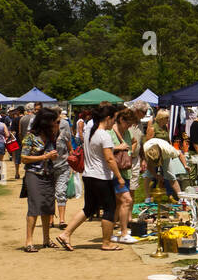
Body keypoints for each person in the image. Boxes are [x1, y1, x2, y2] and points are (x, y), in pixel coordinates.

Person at [56, 104, 126, 252]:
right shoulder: (104, 135)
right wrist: (119, 177)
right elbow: (110, 159)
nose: (114, 123)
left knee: (89, 208)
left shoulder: (89, 132)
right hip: (101, 177)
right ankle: (107, 242)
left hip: (88, 175)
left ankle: (65, 234)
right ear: (108, 118)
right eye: (114, 119)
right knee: (109, 208)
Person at [21, 106, 61, 251]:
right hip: (33, 174)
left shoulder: (52, 136)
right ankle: (29, 241)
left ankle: (46, 239)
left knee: (48, 207)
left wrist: (52, 157)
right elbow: (24, 158)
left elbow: (51, 155)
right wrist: (44, 156)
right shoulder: (30, 136)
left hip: (48, 174)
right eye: (54, 121)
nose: (56, 124)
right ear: (45, 122)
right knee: (34, 206)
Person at [109, 106, 138, 243]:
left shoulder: (126, 132)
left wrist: (129, 153)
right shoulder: (109, 132)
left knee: (118, 204)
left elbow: (133, 142)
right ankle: (124, 233)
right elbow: (102, 149)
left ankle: (111, 232)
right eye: (128, 123)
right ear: (121, 119)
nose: (129, 127)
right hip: (114, 173)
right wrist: (118, 148)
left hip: (125, 171)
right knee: (127, 200)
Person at [52, 108, 76, 229]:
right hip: (49, 167)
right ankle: (50, 219)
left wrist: (73, 159)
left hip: (63, 165)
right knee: (50, 193)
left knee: (60, 192)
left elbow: (69, 143)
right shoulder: (45, 132)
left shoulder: (65, 126)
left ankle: (62, 220)